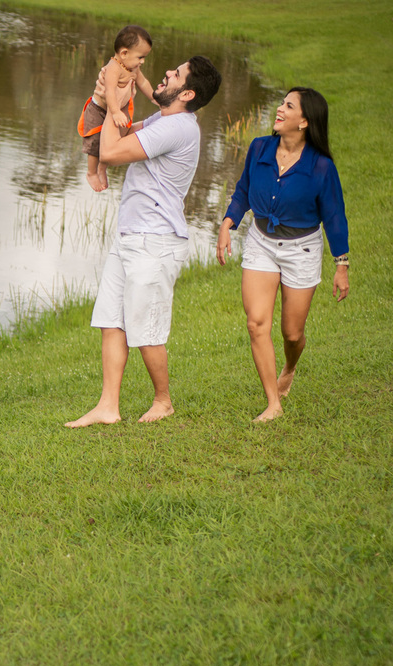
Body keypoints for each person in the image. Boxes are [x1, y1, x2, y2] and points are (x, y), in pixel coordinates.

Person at [66, 56, 222, 428]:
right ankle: (108, 406)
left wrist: (112, 105)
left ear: (187, 92)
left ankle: (163, 401)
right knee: (111, 320)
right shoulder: (166, 118)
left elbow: (113, 151)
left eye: (175, 74)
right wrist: (127, 72)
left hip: (154, 242)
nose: (166, 73)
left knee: (145, 330)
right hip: (131, 235)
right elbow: (142, 110)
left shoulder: (178, 128)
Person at [215, 88, 349, 422]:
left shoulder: (320, 167)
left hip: (301, 249)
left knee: (292, 332)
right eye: (281, 103)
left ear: (304, 121)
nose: (279, 109)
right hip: (261, 242)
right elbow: (244, 189)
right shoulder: (260, 147)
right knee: (256, 323)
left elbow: (334, 216)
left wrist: (341, 264)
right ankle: (273, 403)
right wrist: (227, 223)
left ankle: (290, 366)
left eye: (288, 106)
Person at [78, 25, 156, 192]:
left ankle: (102, 168)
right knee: (95, 142)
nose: (142, 61)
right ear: (124, 53)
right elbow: (110, 92)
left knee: (112, 142)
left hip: (118, 110)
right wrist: (114, 112)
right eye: (140, 57)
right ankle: (92, 172)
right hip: (99, 109)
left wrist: (154, 97)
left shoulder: (133, 67)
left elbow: (142, 82)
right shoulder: (113, 68)